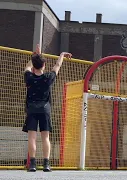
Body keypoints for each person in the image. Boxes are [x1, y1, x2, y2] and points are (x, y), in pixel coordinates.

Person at [22, 44, 72, 172]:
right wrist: (61, 55)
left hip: (32, 109)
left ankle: (32, 164)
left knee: (32, 137)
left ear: (34, 66)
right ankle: (46, 164)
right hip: (45, 109)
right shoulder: (48, 78)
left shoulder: (29, 77)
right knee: (45, 137)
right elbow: (57, 66)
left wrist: (34, 56)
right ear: (44, 66)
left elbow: (27, 67)